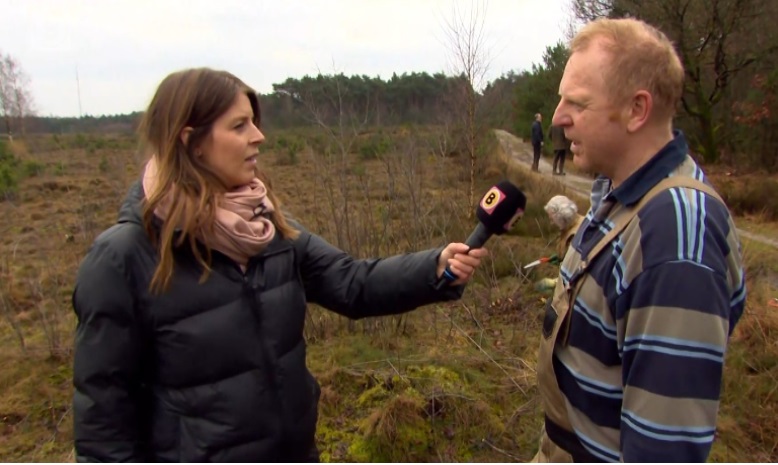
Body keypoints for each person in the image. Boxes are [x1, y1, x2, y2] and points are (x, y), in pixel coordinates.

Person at [71, 67, 488, 463]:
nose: (259, 136)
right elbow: (103, 427)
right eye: (239, 126)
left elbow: (351, 282)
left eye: (254, 122)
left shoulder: (267, 230)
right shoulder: (124, 258)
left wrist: (435, 266)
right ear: (191, 141)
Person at [533, 18, 746, 462]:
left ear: (636, 110)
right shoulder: (618, 194)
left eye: (577, 103)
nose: (558, 118)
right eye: (560, 100)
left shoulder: (673, 237)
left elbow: (663, 450)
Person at [544, 195, 583, 259]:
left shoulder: (575, 236)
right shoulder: (569, 225)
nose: (551, 223)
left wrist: (562, 261)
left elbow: (573, 263)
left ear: (562, 218)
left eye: (552, 220)